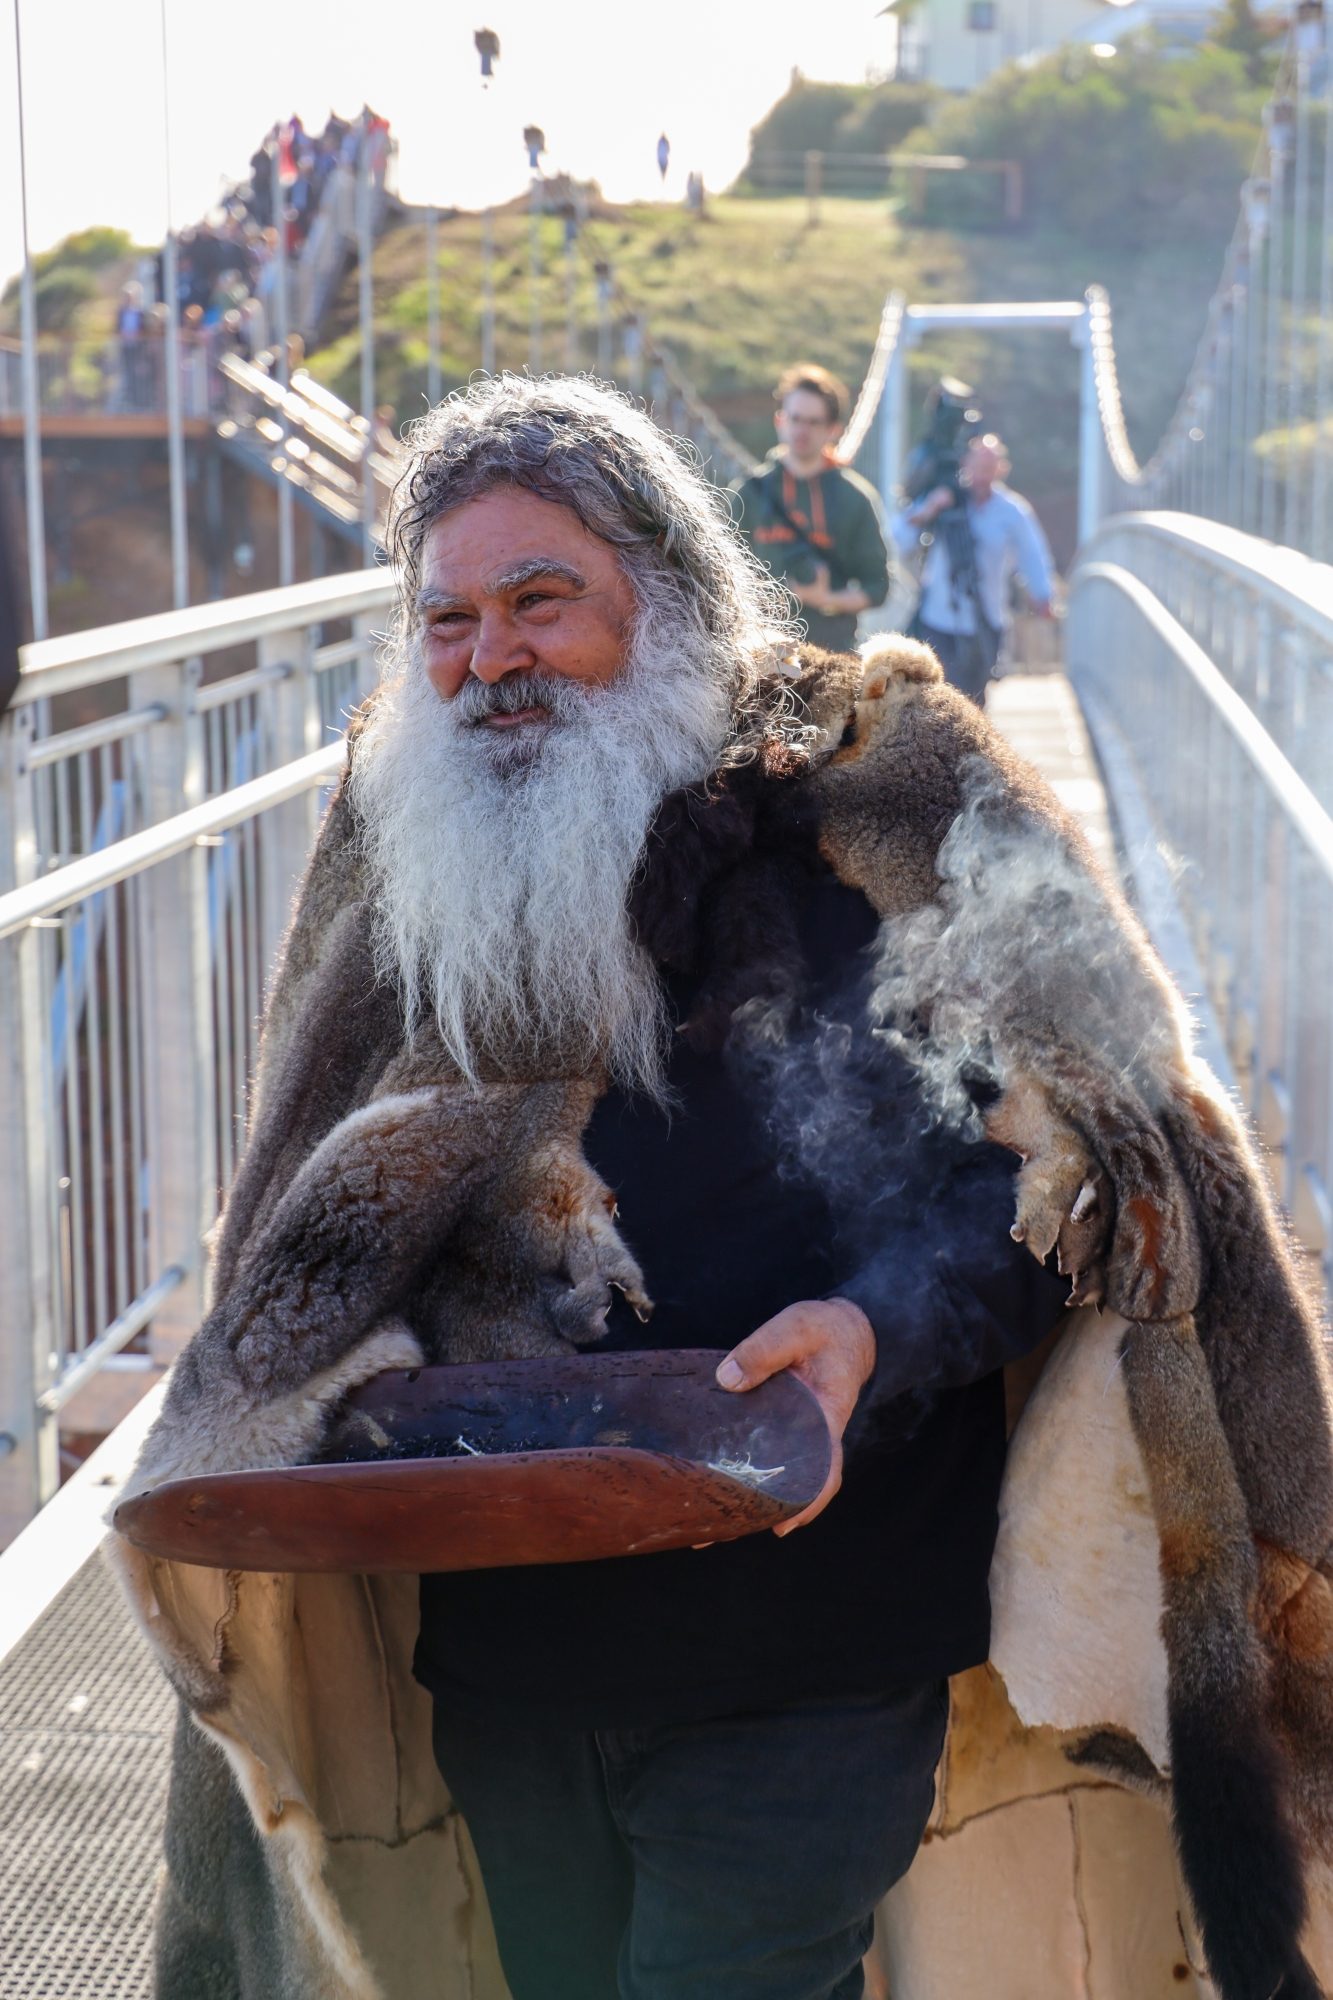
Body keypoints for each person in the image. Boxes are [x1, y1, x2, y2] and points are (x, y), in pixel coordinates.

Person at [117, 377, 1333, 2000]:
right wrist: (337, 1371)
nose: (490, 657)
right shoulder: (402, 851)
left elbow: (1072, 1179)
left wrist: (869, 1333)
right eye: (447, 620)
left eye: (541, 600)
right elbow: (319, 1214)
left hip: (811, 1634)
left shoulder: (871, 801)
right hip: (506, 1637)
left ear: (671, 597)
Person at [731, 362, 891, 656]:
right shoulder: (747, 493)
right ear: (780, 420)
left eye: (814, 422)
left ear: (833, 429)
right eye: (795, 419)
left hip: (832, 658)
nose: (802, 430)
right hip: (759, 654)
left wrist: (826, 599)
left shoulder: (856, 498)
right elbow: (721, 578)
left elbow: (877, 587)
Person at [892, 432, 1054, 705]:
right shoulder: (946, 499)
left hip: (987, 619)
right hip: (940, 619)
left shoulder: (1011, 510)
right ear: (965, 465)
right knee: (937, 696)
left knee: (975, 697)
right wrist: (929, 509)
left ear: (1001, 469)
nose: (982, 475)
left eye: (989, 468)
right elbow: (899, 539)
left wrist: (1043, 596)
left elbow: (1032, 554)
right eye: (977, 467)